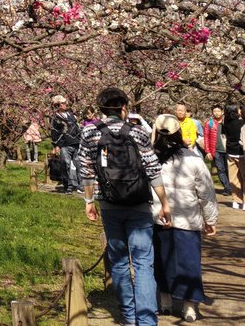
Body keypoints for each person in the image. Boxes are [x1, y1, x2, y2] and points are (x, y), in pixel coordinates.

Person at [82, 87, 170, 326]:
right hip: (139, 203)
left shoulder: (90, 132)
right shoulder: (138, 132)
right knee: (143, 264)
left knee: (119, 262)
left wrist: (89, 202)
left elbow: (86, 170)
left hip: (109, 204)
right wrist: (164, 203)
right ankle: (147, 321)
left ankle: (129, 318)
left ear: (101, 108)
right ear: (123, 107)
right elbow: (153, 169)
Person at [150, 114, 219, 323]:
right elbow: (206, 193)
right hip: (187, 218)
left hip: (158, 217)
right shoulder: (193, 159)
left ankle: (165, 301)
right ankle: (189, 306)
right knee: (189, 263)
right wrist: (210, 219)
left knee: (162, 260)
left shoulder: (150, 158)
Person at [51, 95, 82, 193]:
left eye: (65, 103)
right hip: (64, 144)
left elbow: (76, 127)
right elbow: (54, 132)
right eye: (63, 103)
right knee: (66, 165)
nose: (65, 105)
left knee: (79, 164)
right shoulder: (55, 118)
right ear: (58, 105)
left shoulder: (71, 115)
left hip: (76, 142)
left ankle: (80, 185)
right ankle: (68, 185)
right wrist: (56, 145)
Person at [221, 103, 245, 210]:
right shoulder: (242, 123)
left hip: (230, 152)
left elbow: (224, 136)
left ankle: (236, 201)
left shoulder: (225, 123)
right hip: (241, 152)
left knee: (233, 178)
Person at [204, 105, 230, 194]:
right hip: (216, 150)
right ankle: (227, 188)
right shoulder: (209, 123)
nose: (216, 113)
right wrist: (208, 151)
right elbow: (206, 137)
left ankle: (233, 187)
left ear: (222, 112)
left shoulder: (227, 122)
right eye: (214, 111)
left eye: (218, 111)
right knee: (220, 169)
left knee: (229, 169)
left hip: (228, 149)